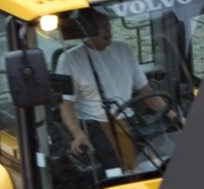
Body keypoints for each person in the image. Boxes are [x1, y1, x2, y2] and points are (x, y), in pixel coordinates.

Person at [54, 10, 168, 173]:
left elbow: (145, 90)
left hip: (129, 120)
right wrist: (78, 133)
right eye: (101, 26)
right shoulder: (69, 59)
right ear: (87, 29)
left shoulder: (124, 50)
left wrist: (175, 116)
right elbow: (66, 105)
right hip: (96, 125)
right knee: (120, 172)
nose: (107, 30)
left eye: (108, 24)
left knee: (160, 160)